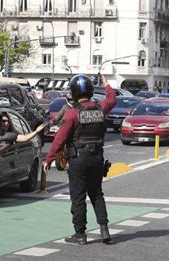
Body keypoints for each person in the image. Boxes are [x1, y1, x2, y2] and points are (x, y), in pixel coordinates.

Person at [43, 74, 116, 245]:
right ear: (91, 91)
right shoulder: (101, 108)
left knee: (78, 197)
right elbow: (112, 99)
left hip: (78, 159)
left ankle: (80, 234)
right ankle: (104, 231)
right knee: (97, 194)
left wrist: (48, 159)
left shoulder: (72, 114)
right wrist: (106, 84)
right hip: (97, 158)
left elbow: (59, 139)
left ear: (74, 93)